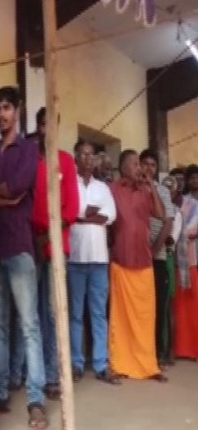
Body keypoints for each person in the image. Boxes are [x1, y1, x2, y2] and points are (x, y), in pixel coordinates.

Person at [0, 86, 47, 429]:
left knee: (29, 325)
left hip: (20, 247)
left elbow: (17, 188)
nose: (1, 114)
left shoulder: (28, 149)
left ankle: (35, 400)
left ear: (17, 111)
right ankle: (0, 393)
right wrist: (0, 196)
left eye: (6, 107)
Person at [31, 107, 79, 400]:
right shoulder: (31, 160)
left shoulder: (65, 161)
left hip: (55, 246)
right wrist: (34, 236)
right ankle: (33, 373)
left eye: (51, 123)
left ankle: (52, 375)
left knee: (52, 313)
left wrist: (46, 234)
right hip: (29, 245)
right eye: (41, 123)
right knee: (31, 315)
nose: (45, 128)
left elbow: (71, 208)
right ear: (37, 127)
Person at [109, 149, 167, 382]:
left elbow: (162, 215)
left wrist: (151, 184)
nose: (139, 167)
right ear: (122, 167)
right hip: (121, 262)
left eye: (139, 164)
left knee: (145, 318)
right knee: (120, 320)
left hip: (143, 263)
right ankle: (121, 363)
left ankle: (148, 366)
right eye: (134, 163)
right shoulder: (113, 190)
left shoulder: (145, 191)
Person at [67, 141, 119, 384]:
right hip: (75, 258)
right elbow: (71, 212)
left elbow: (111, 216)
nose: (88, 159)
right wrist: (87, 214)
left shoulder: (102, 187)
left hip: (99, 260)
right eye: (83, 155)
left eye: (91, 155)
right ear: (75, 158)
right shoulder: (68, 183)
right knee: (75, 314)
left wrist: (84, 216)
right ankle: (76, 364)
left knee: (98, 314)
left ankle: (100, 364)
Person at [140, 149, 176, 368]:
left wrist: (154, 249)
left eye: (152, 165)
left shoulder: (162, 191)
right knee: (142, 307)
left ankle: (156, 353)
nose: (148, 169)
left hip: (158, 257)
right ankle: (143, 352)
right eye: (144, 164)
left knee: (158, 308)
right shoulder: (135, 189)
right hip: (138, 259)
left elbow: (168, 223)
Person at [173, 164, 198, 360]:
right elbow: (178, 225)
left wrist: (188, 232)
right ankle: (185, 348)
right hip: (187, 258)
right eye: (192, 178)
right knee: (186, 304)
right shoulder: (185, 202)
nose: (194, 181)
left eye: (197, 177)